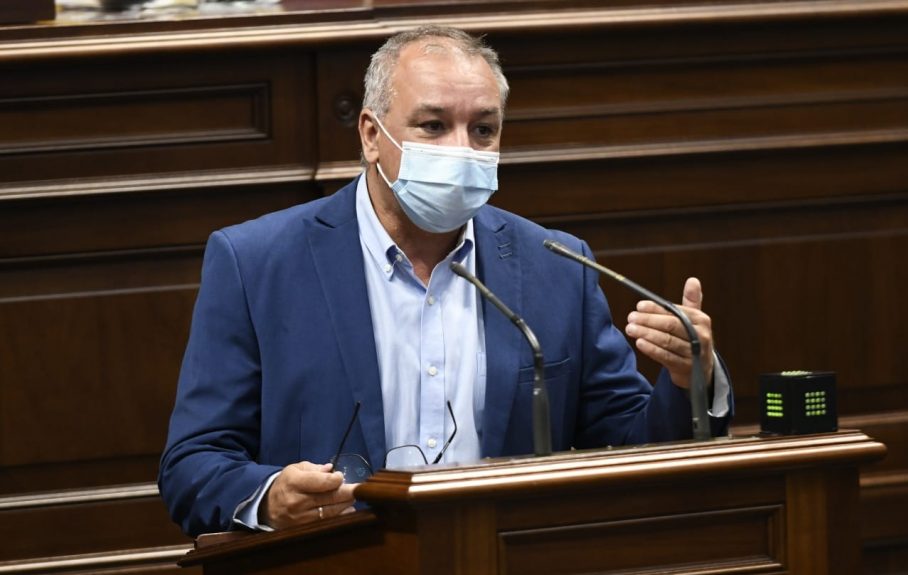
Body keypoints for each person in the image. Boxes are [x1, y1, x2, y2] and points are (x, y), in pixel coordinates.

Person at [159, 25, 733, 538]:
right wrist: (270, 496)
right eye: (433, 126)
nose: (462, 150)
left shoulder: (556, 264)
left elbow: (631, 448)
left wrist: (689, 381)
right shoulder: (257, 262)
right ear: (370, 134)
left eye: (482, 130)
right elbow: (192, 465)